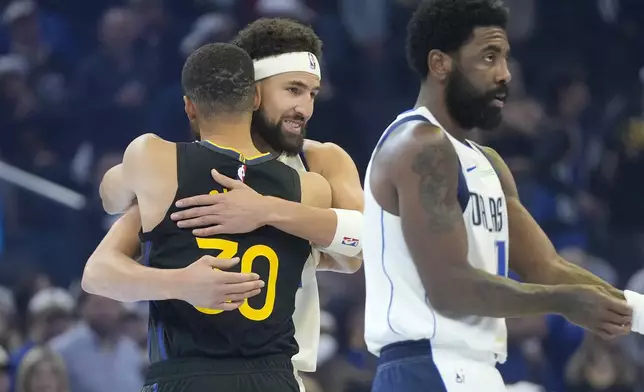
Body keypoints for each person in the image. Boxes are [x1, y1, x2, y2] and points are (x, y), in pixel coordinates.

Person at [362, 1, 635, 391]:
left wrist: (636, 313)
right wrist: (564, 302)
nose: (504, 74)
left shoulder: (486, 162)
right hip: (426, 366)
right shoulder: (419, 144)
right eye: (489, 57)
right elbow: (449, 288)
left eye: (505, 58)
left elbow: (547, 268)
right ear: (440, 64)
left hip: (480, 368)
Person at [82, 18, 364, 390]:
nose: (305, 108)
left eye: (312, 93)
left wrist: (267, 211)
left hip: (284, 363)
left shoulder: (321, 160)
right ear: (255, 92)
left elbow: (356, 249)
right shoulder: (176, 166)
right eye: (293, 90)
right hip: (221, 366)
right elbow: (109, 209)